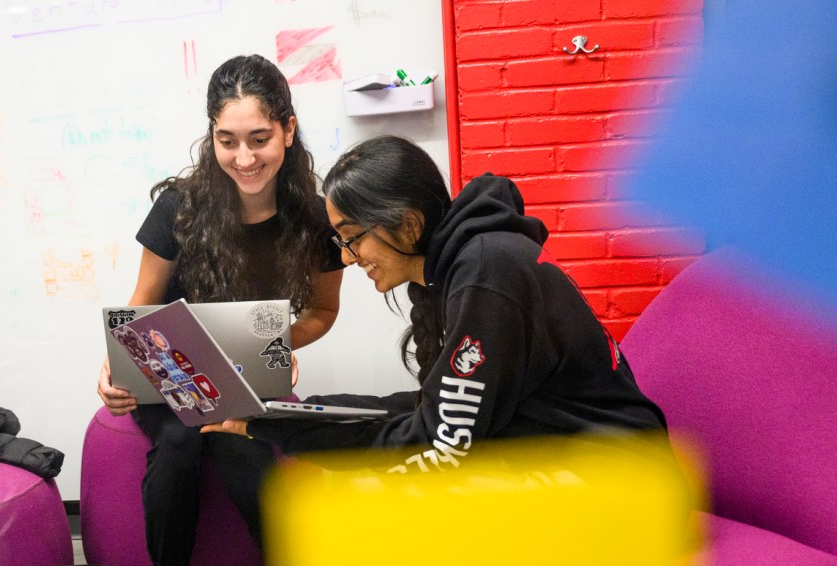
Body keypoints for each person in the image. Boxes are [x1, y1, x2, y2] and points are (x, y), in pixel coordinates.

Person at [201, 134, 669, 471]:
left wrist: (293, 435)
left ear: (407, 226)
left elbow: (442, 444)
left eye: (352, 239)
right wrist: (275, 418)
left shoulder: (486, 273)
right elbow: (427, 411)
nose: (347, 257)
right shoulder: (454, 272)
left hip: (623, 485)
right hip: (573, 465)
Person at [97, 54, 344, 566]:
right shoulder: (180, 206)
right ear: (211, 136)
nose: (244, 157)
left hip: (248, 379)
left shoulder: (314, 218)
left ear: (288, 129)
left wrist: (276, 351)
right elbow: (141, 306)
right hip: (173, 377)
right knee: (181, 441)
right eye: (227, 140)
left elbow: (320, 312)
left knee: (241, 444)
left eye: (259, 139)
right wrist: (112, 369)